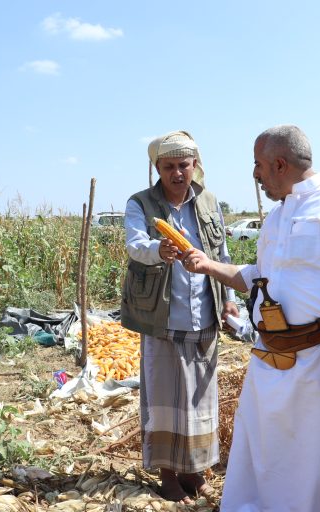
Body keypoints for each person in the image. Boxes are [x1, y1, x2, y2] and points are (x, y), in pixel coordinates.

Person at [182, 125, 320, 511]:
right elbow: (259, 277)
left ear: (279, 163)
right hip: (272, 362)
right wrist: (209, 265)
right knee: (269, 453)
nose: (256, 175)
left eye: (258, 166)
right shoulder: (275, 218)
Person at [120, 130, 238, 505]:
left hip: (203, 315)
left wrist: (230, 299)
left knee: (201, 400)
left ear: (195, 166)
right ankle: (169, 476)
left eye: (183, 166)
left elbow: (222, 251)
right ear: (157, 168)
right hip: (162, 315)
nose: (176, 173)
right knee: (165, 399)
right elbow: (135, 246)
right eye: (168, 166)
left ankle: (196, 472)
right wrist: (161, 249)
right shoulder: (140, 203)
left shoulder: (209, 202)